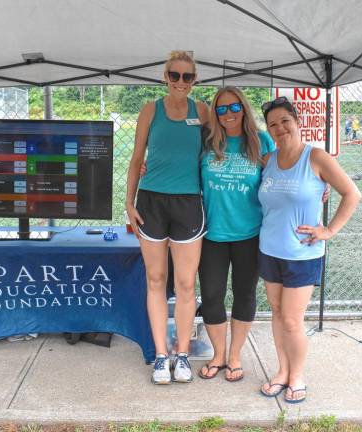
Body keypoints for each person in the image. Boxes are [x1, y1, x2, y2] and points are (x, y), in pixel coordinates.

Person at [258, 96, 362, 403]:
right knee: (276, 313)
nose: (279, 129)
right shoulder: (268, 161)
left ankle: (297, 375)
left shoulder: (316, 157)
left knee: (292, 320)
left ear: (298, 121)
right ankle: (282, 371)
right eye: (273, 125)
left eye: (285, 122)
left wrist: (328, 230)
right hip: (269, 250)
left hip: (302, 254)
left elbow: (352, 193)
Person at [126, 50, 209, 384]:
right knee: (155, 280)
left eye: (187, 77)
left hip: (189, 203)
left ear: (194, 80)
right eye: (174, 75)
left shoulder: (202, 111)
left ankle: (183, 354)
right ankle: (162, 356)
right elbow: (136, 159)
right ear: (165, 76)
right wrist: (129, 204)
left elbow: (226, 145)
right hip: (151, 203)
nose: (180, 82)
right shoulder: (151, 110)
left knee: (186, 283)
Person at [197, 87, 276, 382]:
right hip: (211, 235)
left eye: (234, 107)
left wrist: (317, 187)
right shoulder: (207, 142)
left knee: (244, 294)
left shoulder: (262, 141)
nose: (228, 114)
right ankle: (218, 354)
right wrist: (146, 168)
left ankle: (235, 355)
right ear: (215, 113)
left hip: (249, 234)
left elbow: (284, 173)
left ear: (243, 108)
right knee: (212, 296)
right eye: (221, 109)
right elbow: (181, 171)